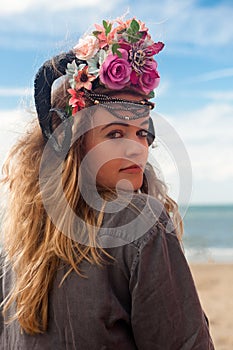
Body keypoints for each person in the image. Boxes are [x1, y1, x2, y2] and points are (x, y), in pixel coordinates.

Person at [0, 16, 214, 349]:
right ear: (73, 145)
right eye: (114, 133)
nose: (137, 148)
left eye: (142, 133)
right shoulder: (141, 221)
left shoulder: (16, 244)